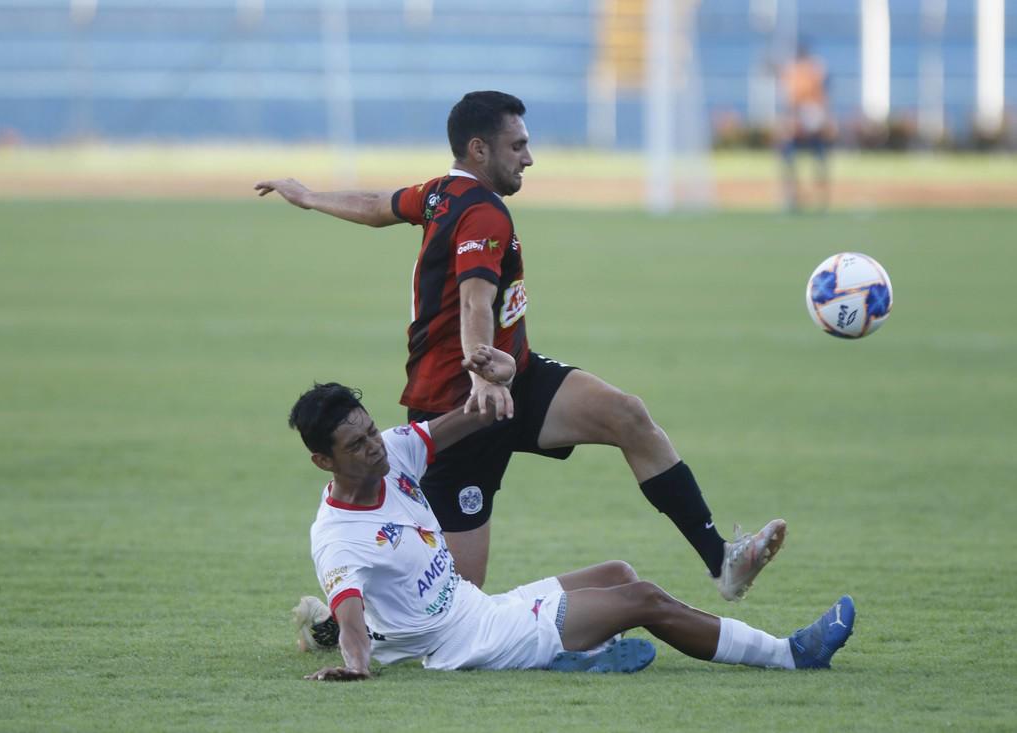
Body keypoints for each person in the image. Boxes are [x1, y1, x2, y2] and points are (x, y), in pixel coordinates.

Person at [257, 90, 784, 607]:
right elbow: (474, 301)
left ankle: (722, 561)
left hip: (516, 378)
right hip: (457, 406)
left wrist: (309, 197)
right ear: (478, 149)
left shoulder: (441, 194)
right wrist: (481, 373)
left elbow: (377, 205)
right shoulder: (481, 212)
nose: (528, 158)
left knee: (627, 415)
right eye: (517, 146)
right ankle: (336, 623)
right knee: (457, 597)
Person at [289, 348, 854, 680]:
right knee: (644, 599)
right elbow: (354, 626)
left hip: (478, 609)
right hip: (470, 641)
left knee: (617, 573)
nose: (375, 447)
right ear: (323, 461)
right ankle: (789, 655)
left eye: (371, 430)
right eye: (357, 445)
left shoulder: (395, 452)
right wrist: (355, 666)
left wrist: (503, 384)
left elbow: (465, 420)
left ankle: (576, 653)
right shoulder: (338, 538)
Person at [778, 43, 834, 211]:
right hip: (799, 128)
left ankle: (819, 197)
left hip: (812, 128)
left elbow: (820, 102)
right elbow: (792, 104)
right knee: (790, 158)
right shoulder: (796, 73)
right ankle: (793, 196)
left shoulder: (812, 73)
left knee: (819, 161)